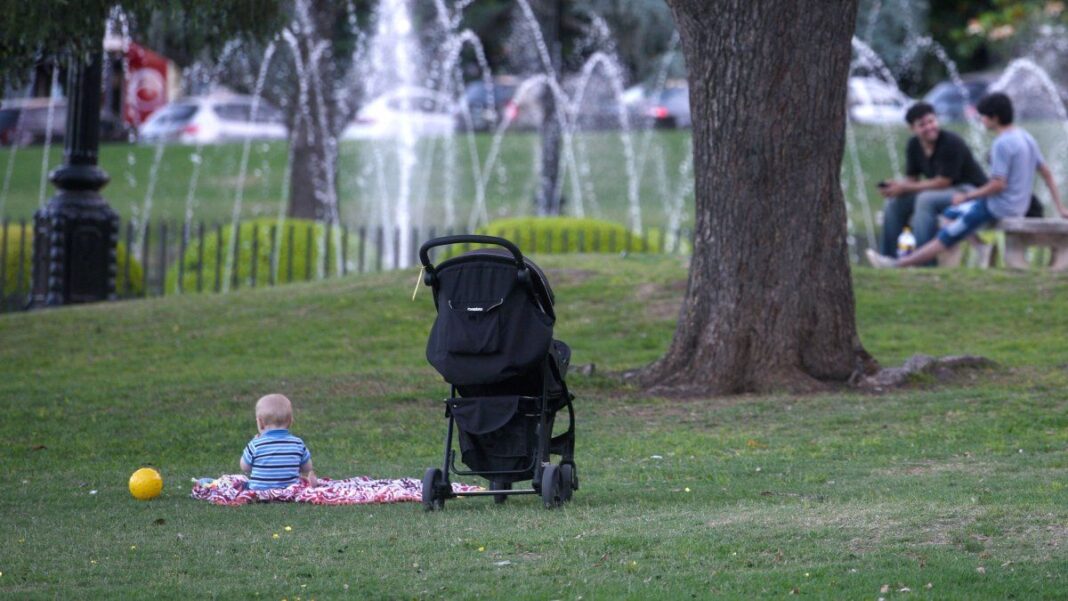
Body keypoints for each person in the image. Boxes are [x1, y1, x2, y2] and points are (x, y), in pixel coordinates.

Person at [868, 92, 1066, 269]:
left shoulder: (1000, 144)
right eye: (922, 124)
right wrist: (1061, 207)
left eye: (983, 117)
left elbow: (998, 184)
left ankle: (901, 264)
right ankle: (980, 247)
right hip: (1001, 204)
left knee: (946, 235)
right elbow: (1046, 172)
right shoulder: (1025, 136)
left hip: (995, 207)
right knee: (948, 215)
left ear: (994, 118)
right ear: (912, 129)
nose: (981, 121)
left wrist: (967, 196)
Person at [877, 101, 989, 260]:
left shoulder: (951, 142)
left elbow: (944, 181)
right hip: (944, 193)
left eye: (931, 121)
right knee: (893, 203)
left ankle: (921, 262)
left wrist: (905, 187)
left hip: (970, 191)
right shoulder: (914, 145)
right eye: (922, 124)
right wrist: (896, 187)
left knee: (925, 200)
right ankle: (888, 259)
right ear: (912, 129)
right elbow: (912, 179)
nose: (929, 127)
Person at [240, 394, 317, 489]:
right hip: (290, 490)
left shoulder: (255, 444)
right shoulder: (297, 444)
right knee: (302, 481)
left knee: (238, 483)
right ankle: (310, 484)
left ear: (260, 422)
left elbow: (245, 467)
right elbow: (307, 467)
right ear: (290, 421)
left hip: (260, 490)